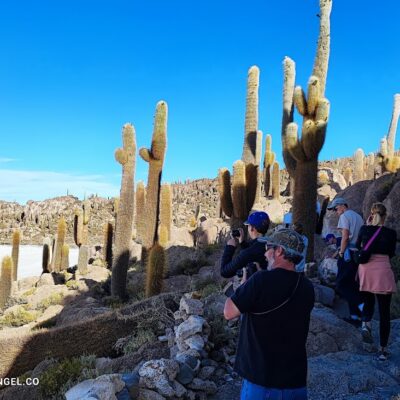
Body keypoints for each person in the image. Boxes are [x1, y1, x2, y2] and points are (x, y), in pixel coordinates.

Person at [224, 229, 315, 400]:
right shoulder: (307, 287)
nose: (265, 254)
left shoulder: (261, 280)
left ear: (279, 251)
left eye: (268, 248)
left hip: (261, 380)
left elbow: (229, 312)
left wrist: (245, 286)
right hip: (295, 381)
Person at [355, 202, 397, 361]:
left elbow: (358, 246)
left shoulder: (365, 229)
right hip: (383, 269)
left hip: (366, 270)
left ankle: (366, 324)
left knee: (367, 302)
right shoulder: (391, 233)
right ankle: (383, 350)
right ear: (385, 216)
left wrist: (367, 227)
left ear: (371, 214)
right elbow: (392, 252)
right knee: (384, 312)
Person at [327, 197, 364, 326]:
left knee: (341, 284)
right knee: (353, 285)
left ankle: (362, 308)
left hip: (348, 254)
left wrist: (341, 253)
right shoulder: (358, 217)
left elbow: (345, 236)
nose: (336, 212)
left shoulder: (345, 216)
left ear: (342, 206)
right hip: (356, 254)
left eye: (336, 209)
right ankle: (355, 316)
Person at [220, 211, 270, 278]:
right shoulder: (271, 243)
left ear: (252, 228)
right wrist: (242, 242)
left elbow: (224, 272)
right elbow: (254, 249)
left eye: (248, 226)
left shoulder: (248, 253)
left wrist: (229, 247)